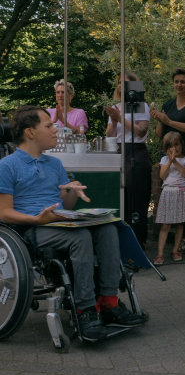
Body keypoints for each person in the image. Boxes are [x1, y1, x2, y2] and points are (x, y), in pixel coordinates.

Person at [0, 105, 146, 342]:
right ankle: (85, 309)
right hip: (32, 228)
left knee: (108, 228)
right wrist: (37, 219)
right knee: (81, 238)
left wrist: (71, 190)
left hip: (59, 222)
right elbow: (4, 214)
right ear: (30, 132)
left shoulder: (54, 164)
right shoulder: (7, 166)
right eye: (49, 126)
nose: (55, 130)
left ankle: (108, 302)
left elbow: (65, 205)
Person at [150, 68, 185, 258]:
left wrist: (169, 121)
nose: (179, 85)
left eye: (183, 81)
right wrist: (160, 120)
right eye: (176, 81)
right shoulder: (168, 104)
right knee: (173, 196)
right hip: (169, 159)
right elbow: (160, 135)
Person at [105, 72, 152, 246]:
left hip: (136, 153)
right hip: (118, 152)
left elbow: (141, 131)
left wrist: (121, 119)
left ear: (134, 87)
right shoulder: (115, 106)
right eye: (118, 83)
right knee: (121, 199)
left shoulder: (141, 106)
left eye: (125, 83)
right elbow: (109, 135)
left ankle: (138, 242)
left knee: (136, 200)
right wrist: (114, 121)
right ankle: (121, 242)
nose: (120, 86)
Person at [154, 132, 185, 265]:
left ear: (182, 144)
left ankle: (176, 250)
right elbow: (162, 176)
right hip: (168, 193)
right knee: (165, 224)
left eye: (176, 144)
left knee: (180, 223)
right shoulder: (165, 160)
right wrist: (170, 161)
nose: (174, 149)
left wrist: (175, 161)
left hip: (182, 193)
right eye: (170, 146)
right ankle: (160, 254)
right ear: (166, 148)